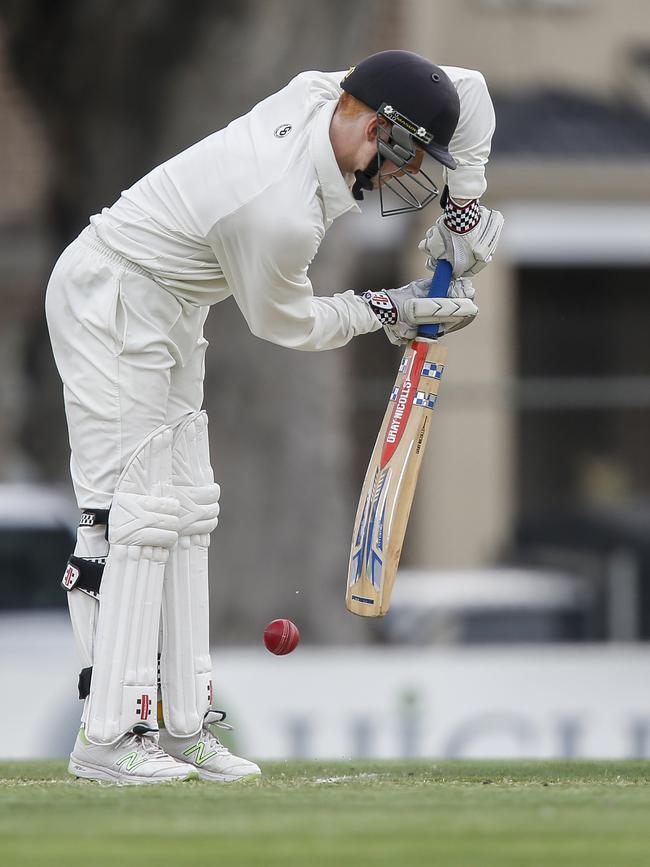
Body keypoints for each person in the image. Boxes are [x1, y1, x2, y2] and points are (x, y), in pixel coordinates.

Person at [46, 50, 503, 784]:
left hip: (170, 303)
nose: (402, 174)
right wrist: (393, 307)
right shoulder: (276, 206)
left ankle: (184, 723)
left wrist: (464, 207)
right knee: (135, 515)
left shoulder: (331, 94)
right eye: (405, 155)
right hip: (112, 297)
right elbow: (287, 324)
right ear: (378, 129)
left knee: (190, 510)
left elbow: (470, 89)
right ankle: (109, 735)